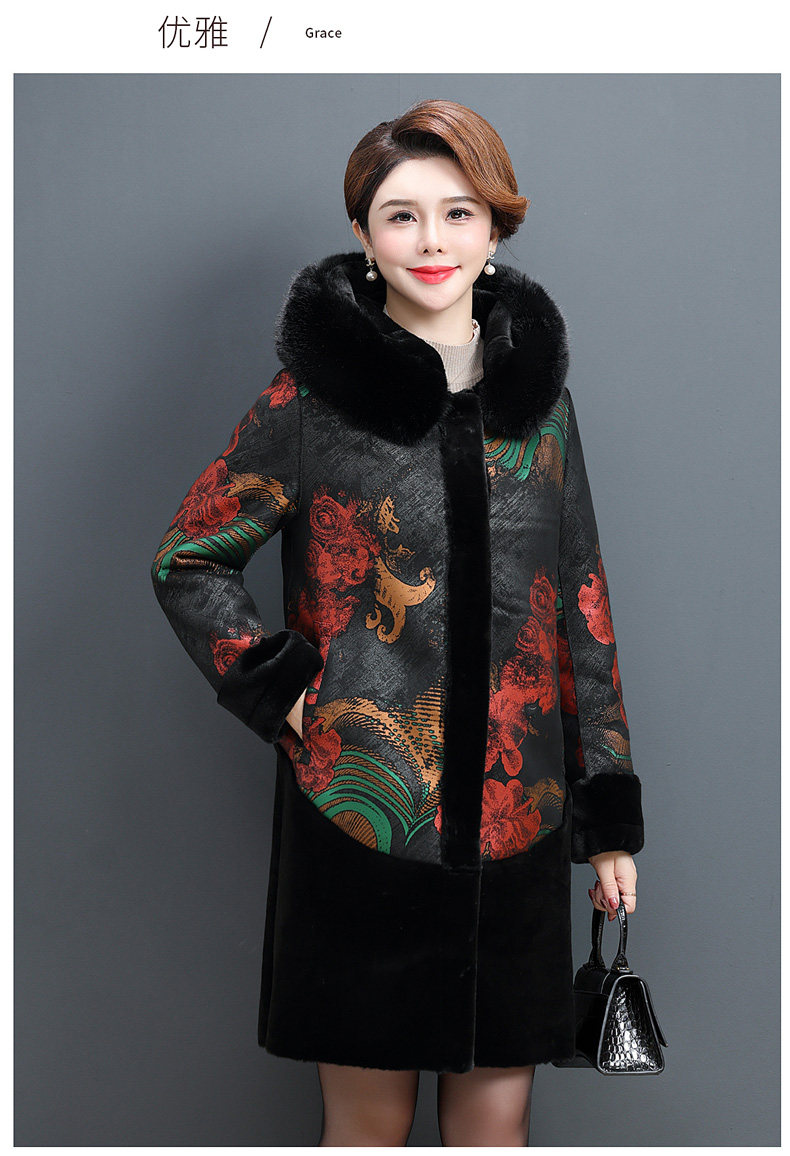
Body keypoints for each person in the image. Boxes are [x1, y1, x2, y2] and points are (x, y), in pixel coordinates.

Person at [151, 98, 644, 1146]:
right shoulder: (311, 402)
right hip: (359, 821)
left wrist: (606, 821)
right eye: (401, 215)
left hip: (517, 826)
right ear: (363, 236)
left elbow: (581, 606)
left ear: (495, 229)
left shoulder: (541, 410)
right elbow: (189, 558)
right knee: (365, 1131)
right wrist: (289, 695)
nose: (432, 240)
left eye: (458, 212)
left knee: (496, 1130)